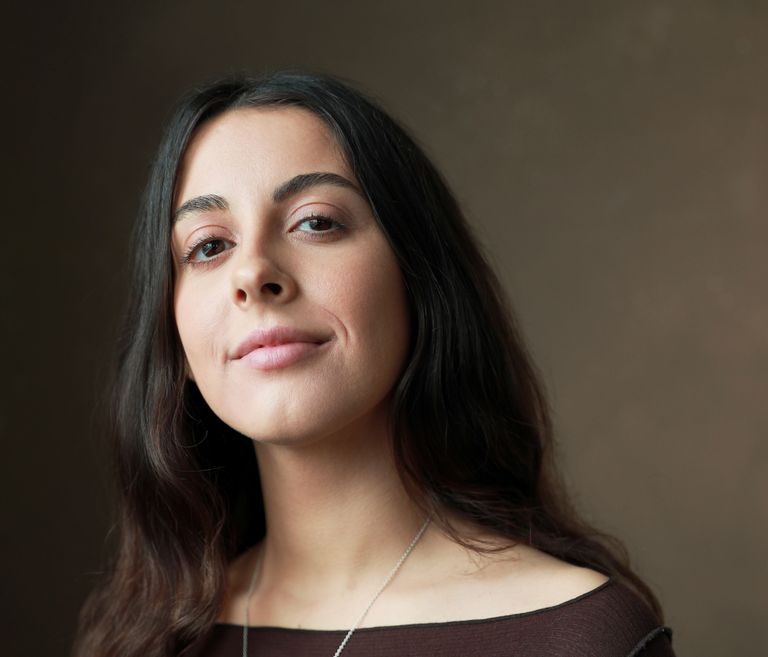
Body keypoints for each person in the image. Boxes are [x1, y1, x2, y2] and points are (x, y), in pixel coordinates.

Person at [73, 71, 675, 657]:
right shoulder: (148, 636)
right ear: (173, 339)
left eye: (315, 222)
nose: (253, 273)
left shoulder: (583, 639)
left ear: (418, 280)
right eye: (209, 245)